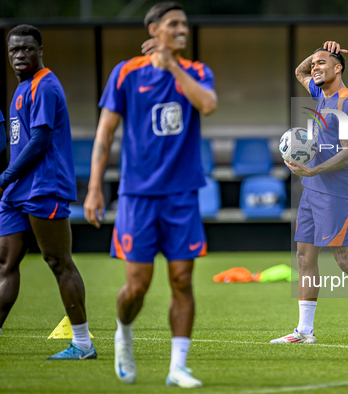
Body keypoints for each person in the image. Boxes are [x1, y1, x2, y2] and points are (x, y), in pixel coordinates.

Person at [84, 2, 216, 388]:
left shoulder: (195, 71)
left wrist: (172, 65)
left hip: (181, 195)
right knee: (137, 286)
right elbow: (104, 134)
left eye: (185, 25)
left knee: (181, 279)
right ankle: (123, 332)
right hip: (137, 197)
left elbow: (207, 104)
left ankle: (178, 367)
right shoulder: (126, 73)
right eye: (174, 24)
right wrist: (94, 188)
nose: (182, 30)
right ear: (154, 29)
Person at [271, 41, 348, 345]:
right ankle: (304, 331)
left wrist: (313, 170)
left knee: (345, 259)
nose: (314, 68)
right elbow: (299, 70)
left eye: (322, 63)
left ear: (338, 68)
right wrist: (318, 50)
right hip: (311, 190)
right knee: (304, 258)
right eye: (314, 64)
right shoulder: (320, 94)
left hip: (336, 192)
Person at [0, 24, 96, 359]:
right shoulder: (20, 90)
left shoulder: (45, 85)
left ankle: (83, 344)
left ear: (41, 50)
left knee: (58, 262)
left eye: (27, 48)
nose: (20, 55)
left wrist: (5, 176)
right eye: (14, 50)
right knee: (5, 263)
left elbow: (40, 141)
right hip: (16, 191)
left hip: (44, 186)